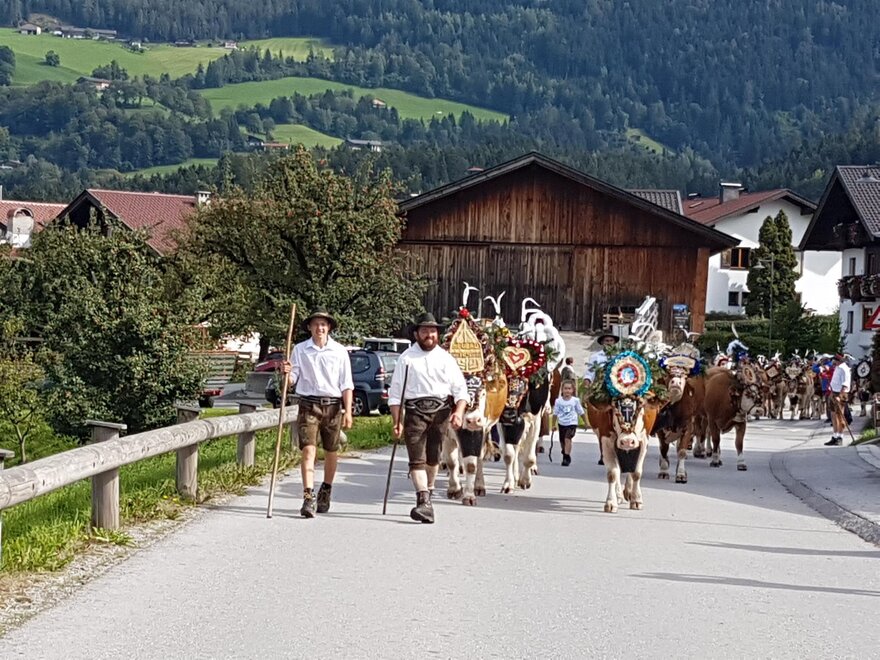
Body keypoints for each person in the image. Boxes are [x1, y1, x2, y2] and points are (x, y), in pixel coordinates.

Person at [388, 313, 468, 524]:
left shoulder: (446, 359)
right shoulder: (406, 359)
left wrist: (459, 412)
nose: (429, 335)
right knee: (417, 460)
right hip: (414, 413)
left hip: (440, 413)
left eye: (433, 331)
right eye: (424, 330)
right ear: (416, 334)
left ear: (437, 334)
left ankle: (428, 494)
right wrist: (397, 421)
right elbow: (395, 395)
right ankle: (422, 499)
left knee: (433, 458)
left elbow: (461, 390)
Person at [282, 309, 354, 518]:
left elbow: (346, 384)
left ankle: (326, 489)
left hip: (333, 406)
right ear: (309, 327)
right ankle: (308, 496)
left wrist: (348, 411)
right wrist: (286, 374)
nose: (319, 328)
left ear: (329, 327)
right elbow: (292, 380)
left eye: (323, 324)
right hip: (309, 404)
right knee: (308, 450)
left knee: (331, 450)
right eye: (315, 324)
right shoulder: (300, 349)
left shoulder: (339, 351)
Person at [583, 329, 618, 465]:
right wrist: (587, 381)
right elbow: (590, 371)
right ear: (602, 343)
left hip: (618, 387)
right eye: (606, 340)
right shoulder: (596, 356)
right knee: (596, 409)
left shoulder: (620, 355)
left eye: (611, 340)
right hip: (601, 386)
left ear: (614, 342)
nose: (609, 343)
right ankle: (603, 451)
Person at [553, 380, 588, 466]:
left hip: (572, 423)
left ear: (572, 390)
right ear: (562, 390)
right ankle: (564, 451)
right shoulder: (558, 401)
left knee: (567, 438)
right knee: (562, 441)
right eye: (565, 388)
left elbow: (581, 412)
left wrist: (586, 422)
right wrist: (553, 424)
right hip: (562, 423)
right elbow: (555, 413)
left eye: (569, 389)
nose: (567, 391)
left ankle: (566, 457)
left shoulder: (575, 400)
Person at [825, 354, 851, 446]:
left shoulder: (844, 369)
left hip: (840, 393)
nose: (833, 361)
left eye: (835, 360)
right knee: (833, 415)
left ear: (839, 360)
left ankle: (840, 437)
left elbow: (845, 384)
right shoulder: (837, 367)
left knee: (840, 416)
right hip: (833, 392)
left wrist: (839, 396)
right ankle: (835, 436)